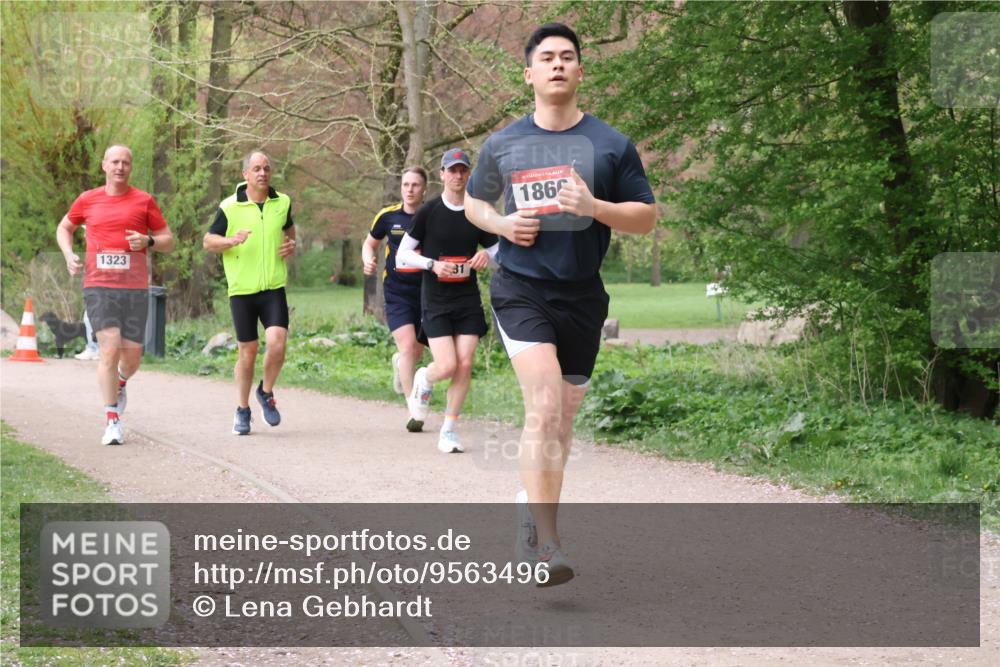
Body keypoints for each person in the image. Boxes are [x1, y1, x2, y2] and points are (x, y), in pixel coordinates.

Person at [465, 23, 656, 586]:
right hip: (521, 288)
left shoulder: (611, 144)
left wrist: (595, 205)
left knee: (561, 422)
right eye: (545, 58)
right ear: (529, 73)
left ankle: (530, 504)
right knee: (544, 406)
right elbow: (474, 202)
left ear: (580, 72)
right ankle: (548, 545)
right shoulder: (503, 144)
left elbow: (645, 217)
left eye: (567, 57)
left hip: (582, 296)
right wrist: (501, 224)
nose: (556, 65)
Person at [56, 144, 175, 445]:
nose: (120, 167)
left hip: (134, 289)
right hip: (99, 286)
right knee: (108, 349)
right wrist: (69, 254)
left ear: (130, 167)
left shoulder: (143, 201)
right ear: (104, 166)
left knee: (132, 358)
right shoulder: (88, 199)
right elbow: (64, 227)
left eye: (125, 162)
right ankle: (112, 420)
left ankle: (120, 383)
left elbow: (167, 240)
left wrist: (148, 240)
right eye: (115, 162)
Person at [396, 149, 499, 451]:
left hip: (466, 297)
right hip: (436, 299)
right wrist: (431, 264)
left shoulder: (476, 211)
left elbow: (499, 250)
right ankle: (424, 379)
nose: (457, 175)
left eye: (462, 170)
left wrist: (485, 256)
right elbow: (403, 255)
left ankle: (449, 430)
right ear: (441, 174)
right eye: (451, 170)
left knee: (465, 364)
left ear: (468, 175)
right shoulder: (428, 212)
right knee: (447, 365)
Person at [203, 151, 296, 436]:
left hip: (273, 287)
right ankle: (242, 409)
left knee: (277, 342)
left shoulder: (283, 202)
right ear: (245, 174)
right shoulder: (230, 207)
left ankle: (265, 392)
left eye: (266, 168)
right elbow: (208, 241)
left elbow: (289, 230)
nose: (262, 173)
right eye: (256, 168)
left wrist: (290, 244)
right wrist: (230, 240)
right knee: (248, 352)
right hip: (242, 290)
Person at [361, 167, 429, 430]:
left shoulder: (432, 215)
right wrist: (368, 260)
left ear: (424, 189)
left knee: (417, 349)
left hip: (426, 292)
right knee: (409, 346)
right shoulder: (388, 216)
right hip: (396, 291)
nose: (410, 189)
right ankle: (414, 409)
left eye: (415, 185)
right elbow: (370, 243)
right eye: (406, 185)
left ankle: (401, 365)